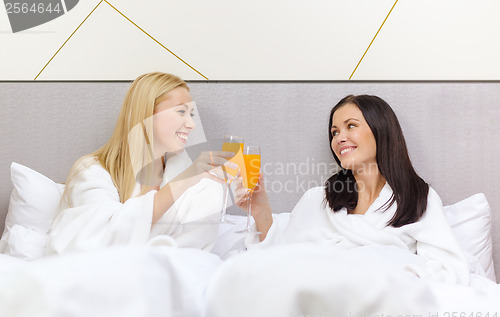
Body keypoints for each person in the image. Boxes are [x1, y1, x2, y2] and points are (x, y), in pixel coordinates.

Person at [235, 94, 470, 285]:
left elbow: (448, 269)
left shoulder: (417, 197)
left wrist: (394, 279)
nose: (339, 138)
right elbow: (282, 265)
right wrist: (261, 210)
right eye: (335, 132)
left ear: (381, 130)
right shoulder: (317, 200)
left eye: (351, 126)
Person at [46, 72, 235, 255]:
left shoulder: (199, 186)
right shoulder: (91, 171)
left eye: (191, 114)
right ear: (146, 115)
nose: (191, 124)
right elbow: (100, 239)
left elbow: (193, 252)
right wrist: (183, 181)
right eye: (181, 112)